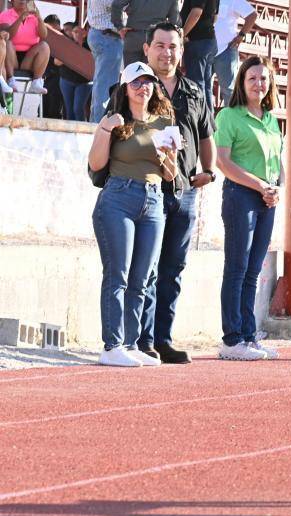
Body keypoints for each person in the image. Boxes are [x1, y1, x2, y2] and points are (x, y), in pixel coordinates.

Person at [136, 21, 217, 365]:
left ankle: (163, 339)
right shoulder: (134, 88)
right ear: (147, 49)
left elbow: (206, 136)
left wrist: (209, 172)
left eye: (173, 46)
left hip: (183, 192)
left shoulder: (195, 91)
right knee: (146, 268)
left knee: (173, 269)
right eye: (160, 45)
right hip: (146, 190)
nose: (166, 52)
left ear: (182, 50)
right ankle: (141, 340)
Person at [88, 61, 178, 367]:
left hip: (153, 200)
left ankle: (130, 342)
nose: (144, 87)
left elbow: (170, 175)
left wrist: (167, 158)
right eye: (136, 83)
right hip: (118, 197)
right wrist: (105, 129)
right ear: (125, 88)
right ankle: (111, 345)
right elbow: (97, 165)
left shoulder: (165, 122)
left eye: (148, 82)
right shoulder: (114, 120)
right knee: (119, 275)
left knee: (142, 278)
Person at [214, 55, 282, 361]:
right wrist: (259, 186)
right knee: (237, 267)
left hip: (267, 199)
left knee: (254, 270)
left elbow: (277, 161)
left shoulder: (271, 119)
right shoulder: (229, 116)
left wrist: (276, 189)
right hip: (241, 196)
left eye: (264, 79)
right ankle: (232, 338)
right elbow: (223, 162)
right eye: (252, 78)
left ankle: (249, 335)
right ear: (242, 81)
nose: (259, 83)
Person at [0, 0, 50, 94]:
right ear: (13, 1)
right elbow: (7, 35)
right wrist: (20, 19)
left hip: (28, 58)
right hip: (10, 57)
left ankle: (36, 82)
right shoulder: (5, 15)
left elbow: (44, 35)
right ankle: (11, 80)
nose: (22, 1)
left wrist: (39, 18)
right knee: (8, 43)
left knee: (44, 46)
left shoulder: (33, 16)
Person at [212, 0, 256, 105]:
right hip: (206, 49)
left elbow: (252, 15)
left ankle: (233, 120)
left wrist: (241, 35)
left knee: (229, 91)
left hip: (225, 49)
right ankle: (205, 120)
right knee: (204, 89)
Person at [87, 0, 124, 122]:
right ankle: (99, 124)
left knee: (101, 83)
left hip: (103, 35)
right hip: (108, 37)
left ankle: (97, 123)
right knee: (105, 86)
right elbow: (122, 4)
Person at [112, 0, 180, 66]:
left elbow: (116, 4)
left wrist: (119, 27)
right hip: (155, 39)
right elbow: (175, 22)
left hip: (134, 36)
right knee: (151, 73)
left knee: (131, 72)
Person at [180, 0, 218, 112]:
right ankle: (208, 121)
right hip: (209, 40)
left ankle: (199, 118)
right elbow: (215, 17)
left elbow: (197, 12)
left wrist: (183, 34)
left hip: (197, 41)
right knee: (206, 86)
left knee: (196, 84)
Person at [59, 24, 92, 121]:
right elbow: (57, 62)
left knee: (78, 109)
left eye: (80, 32)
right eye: (75, 32)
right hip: (66, 80)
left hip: (84, 82)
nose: (78, 34)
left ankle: (80, 131)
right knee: (69, 109)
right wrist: (69, 55)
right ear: (71, 33)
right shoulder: (67, 44)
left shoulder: (91, 46)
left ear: (85, 33)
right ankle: (70, 133)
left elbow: (92, 64)